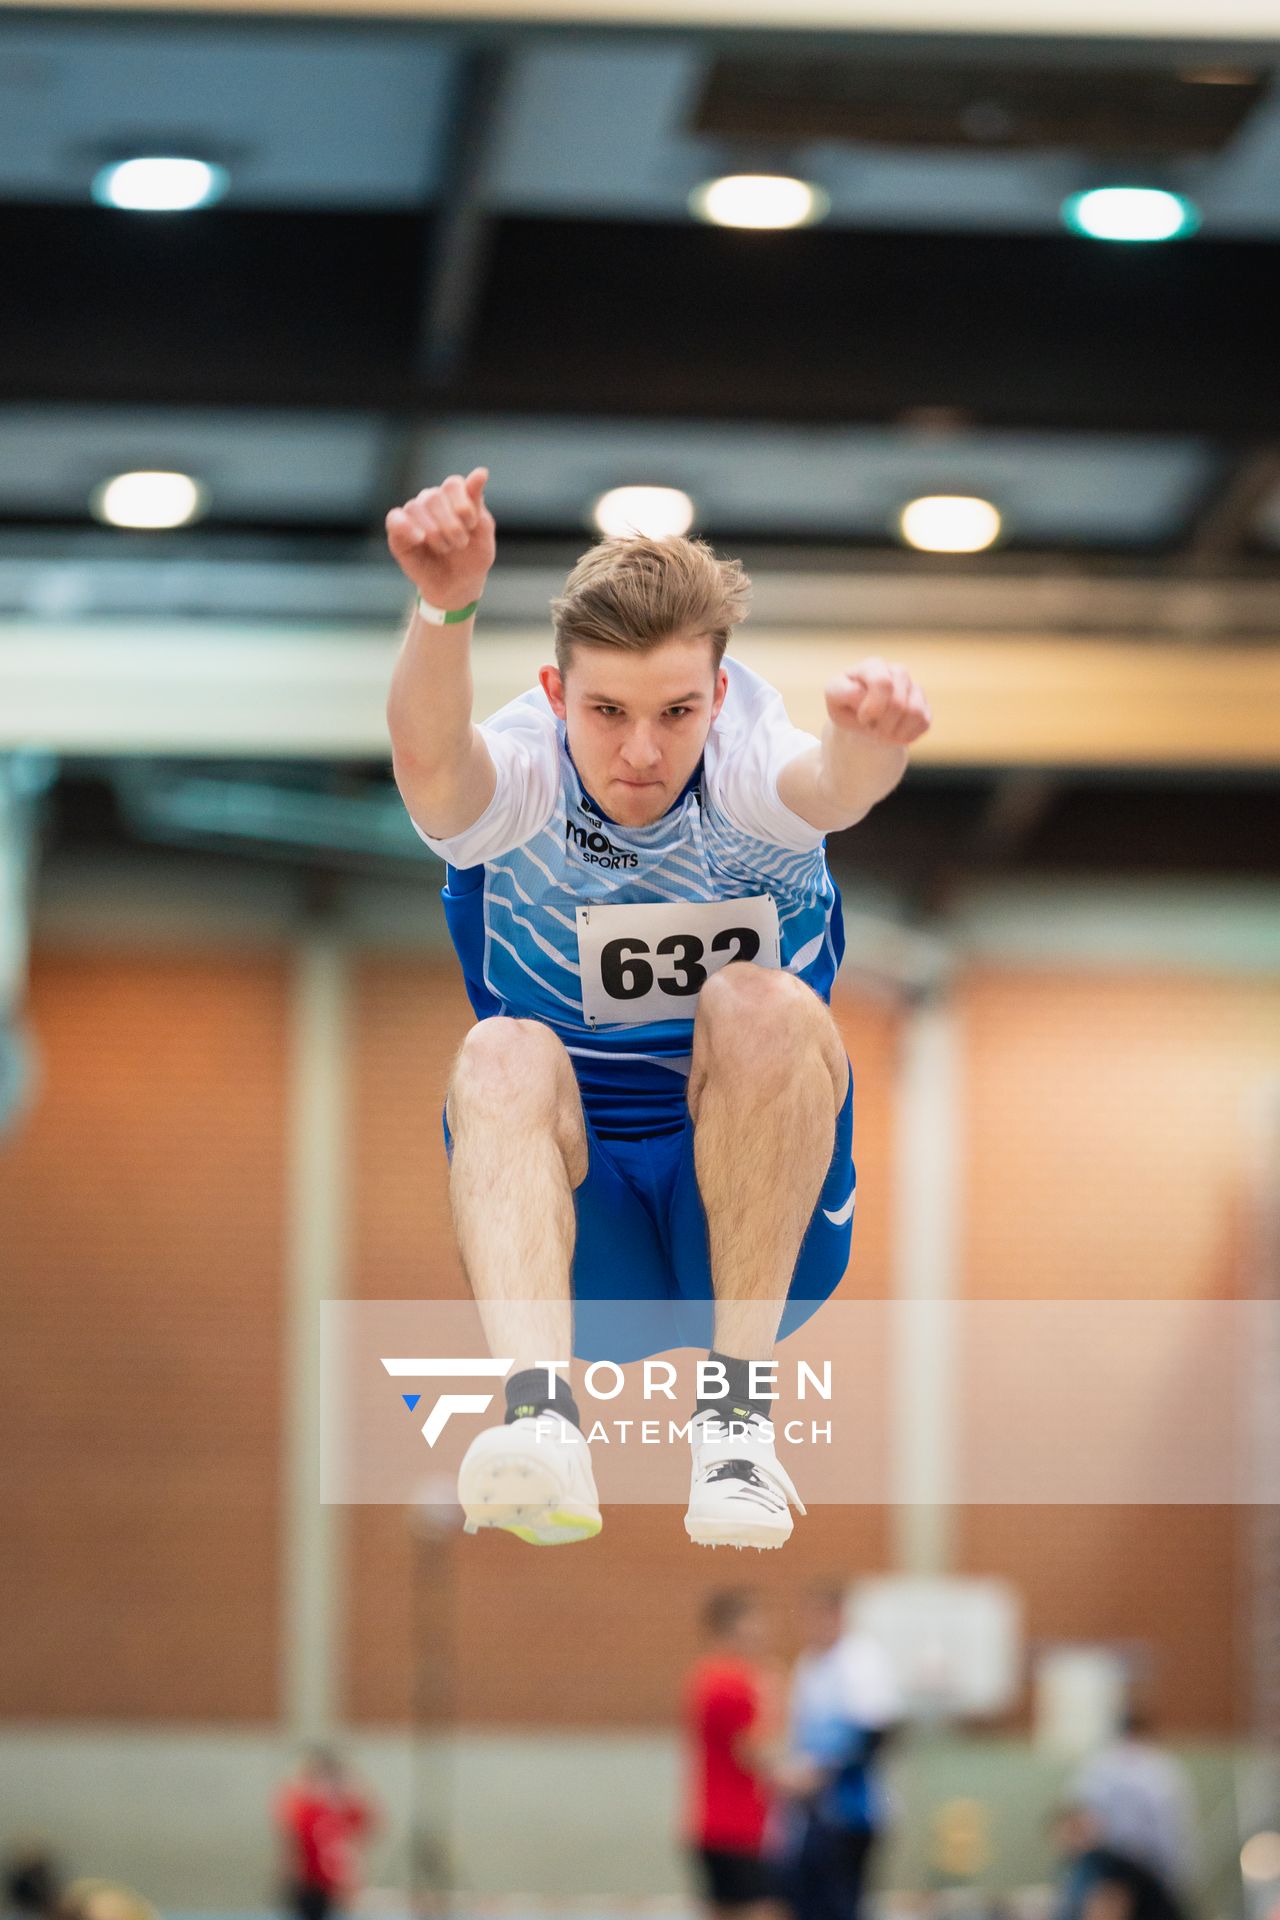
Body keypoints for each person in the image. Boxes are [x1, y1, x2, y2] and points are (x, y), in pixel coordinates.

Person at [385, 468, 931, 1550]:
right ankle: (540, 1419)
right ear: (554, 695)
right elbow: (431, 769)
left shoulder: (745, 769)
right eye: (607, 713)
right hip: (585, 1242)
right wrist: (444, 604)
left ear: (718, 699)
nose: (640, 752)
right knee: (497, 1049)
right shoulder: (523, 780)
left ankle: (736, 1428)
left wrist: (872, 744)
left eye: (675, 712)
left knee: (757, 1003)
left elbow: (830, 787)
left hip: (745, 1228)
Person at [779, 1583, 902, 1920]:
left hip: (853, 1811)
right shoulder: (808, 1664)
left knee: (839, 1903)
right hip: (811, 1814)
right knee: (800, 1898)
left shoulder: (862, 1660)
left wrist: (824, 1773)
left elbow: (876, 1734)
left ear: (837, 1616)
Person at [682, 1589, 785, 1920]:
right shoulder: (735, 1681)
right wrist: (777, 1699)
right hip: (737, 1826)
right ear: (736, 1629)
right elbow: (756, 1751)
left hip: (710, 1823)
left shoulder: (703, 1676)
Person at [1071, 1711, 1200, 1907]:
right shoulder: (1163, 1768)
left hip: (1123, 1864)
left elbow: (1079, 1817)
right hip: (1132, 1863)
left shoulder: (1099, 1765)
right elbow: (1175, 1828)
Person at [273, 1747, 377, 1920]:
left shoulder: (347, 1810)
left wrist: (355, 1784)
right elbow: (291, 1845)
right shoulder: (304, 1809)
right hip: (311, 1884)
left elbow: (370, 1821)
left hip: (338, 1885)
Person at [1052, 1803, 1188, 1920]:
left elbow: (1108, 1913)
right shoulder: (1082, 1868)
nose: (1076, 1838)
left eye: (1077, 1829)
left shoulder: (1106, 1864)